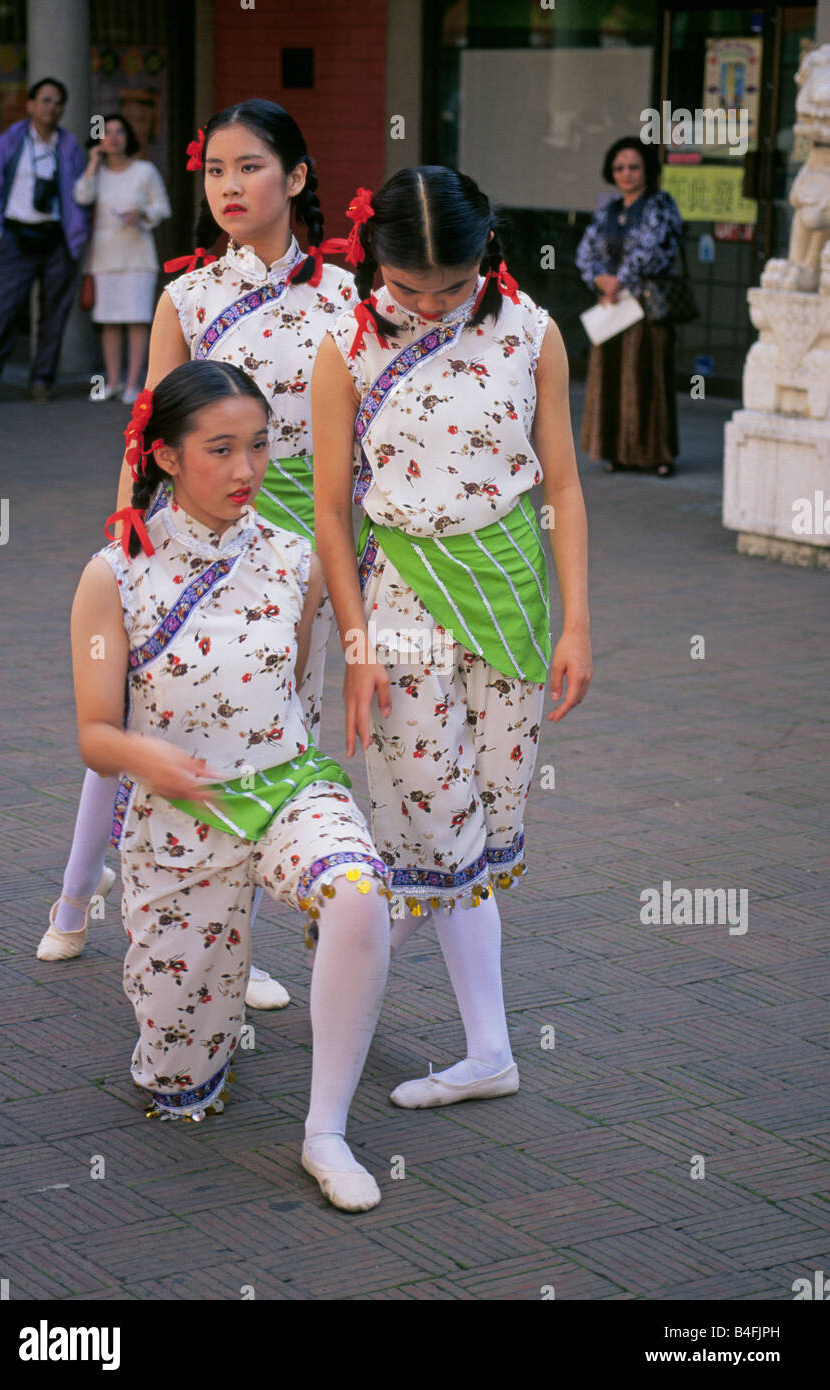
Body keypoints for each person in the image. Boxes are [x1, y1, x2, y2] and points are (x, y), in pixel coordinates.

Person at [36, 99, 355, 1013]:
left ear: (295, 178)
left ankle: (230, 936)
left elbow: (356, 442)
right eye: (214, 170)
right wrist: (130, 529)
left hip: (289, 549)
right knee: (140, 726)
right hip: (183, 531)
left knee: (269, 734)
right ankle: (74, 894)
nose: (227, 186)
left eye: (248, 167)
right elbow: (147, 428)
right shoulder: (188, 294)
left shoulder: (342, 295)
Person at [73, 358, 391, 1211]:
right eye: (220, 449)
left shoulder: (294, 560)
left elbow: (288, 692)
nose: (247, 469)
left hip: (285, 785)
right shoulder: (115, 573)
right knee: (179, 1089)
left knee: (359, 895)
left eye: (258, 445)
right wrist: (155, 761)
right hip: (176, 816)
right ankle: (192, 1033)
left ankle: (326, 1130)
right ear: (168, 456)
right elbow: (95, 736)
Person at [313, 167, 592, 1110]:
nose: (429, 305)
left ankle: (349, 965)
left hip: (511, 598)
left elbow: (559, 486)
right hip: (397, 603)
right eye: (408, 286)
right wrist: (352, 648)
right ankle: (489, 1051)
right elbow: (329, 512)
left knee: (481, 820)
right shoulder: (343, 347)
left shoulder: (533, 333)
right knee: (440, 818)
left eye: (451, 284)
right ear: (371, 261)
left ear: (487, 254)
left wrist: (578, 621)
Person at [0, 78, 89, 403]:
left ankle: (42, 382)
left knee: (53, 316)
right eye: (46, 100)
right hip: (15, 236)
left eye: (57, 102)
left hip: (56, 240)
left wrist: (76, 238)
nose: (51, 107)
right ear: (31, 105)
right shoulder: (10, 141)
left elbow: (80, 194)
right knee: (4, 312)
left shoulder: (67, 147)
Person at [575, 136, 683, 476]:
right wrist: (599, 279)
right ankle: (615, 451)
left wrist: (618, 280)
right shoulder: (608, 209)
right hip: (612, 305)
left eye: (634, 167)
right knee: (612, 378)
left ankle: (657, 456)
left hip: (645, 306)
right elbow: (585, 252)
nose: (627, 174)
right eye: (620, 168)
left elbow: (652, 251)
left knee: (649, 378)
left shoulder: (661, 205)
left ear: (647, 169)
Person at [74, 113, 171, 404]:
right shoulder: (96, 173)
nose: (113, 137)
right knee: (109, 322)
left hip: (138, 256)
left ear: (129, 137)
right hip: (103, 257)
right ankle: (113, 381)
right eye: (107, 132)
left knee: (136, 320)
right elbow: (81, 196)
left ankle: (134, 383)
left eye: (120, 131)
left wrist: (141, 213)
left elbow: (163, 207)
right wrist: (92, 161)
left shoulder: (144, 170)